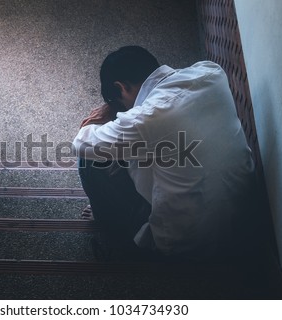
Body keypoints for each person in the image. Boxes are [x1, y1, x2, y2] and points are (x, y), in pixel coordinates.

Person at [73, 46, 255, 261]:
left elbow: (82, 143)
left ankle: (109, 223)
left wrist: (102, 116)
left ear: (121, 87)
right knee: (153, 147)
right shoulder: (212, 72)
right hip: (240, 215)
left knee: (89, 161)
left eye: (118, 102)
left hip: (183, 241)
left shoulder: (148, 118)